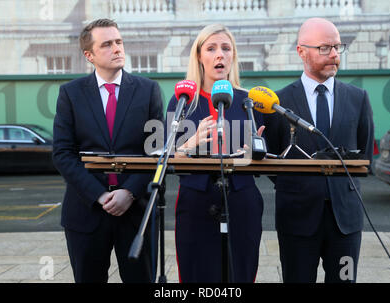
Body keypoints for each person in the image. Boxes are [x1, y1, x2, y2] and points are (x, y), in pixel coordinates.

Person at [52, 19, 164, 283]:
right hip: (86, 212)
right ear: (89, 55)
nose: (116, 49)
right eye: (107, 44)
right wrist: (100, 195)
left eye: (118, 42)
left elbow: (157, 151)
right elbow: (63, 153)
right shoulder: (70, 93)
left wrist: (130, 192)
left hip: (137, 214)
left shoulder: (148, 90)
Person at [264, 17, 374, 283]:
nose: (334, 54)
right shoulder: (278, 102)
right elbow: (273, 161)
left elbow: (365, 155)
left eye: (338, 46)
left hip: (345, 222)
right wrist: (300, 185)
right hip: (297, 219)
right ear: (301, 51)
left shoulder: (358, 99)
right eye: (324, 48)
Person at [165, 24, 265, 283]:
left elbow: (265, 159)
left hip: (242, 198)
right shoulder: (182, 101)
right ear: (199, 56)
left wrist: (254, 154)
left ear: (233, 56)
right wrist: (189, 144)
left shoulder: (248, 101)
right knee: (197, 273)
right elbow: (168, 157)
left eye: (225, 48)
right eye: (211, 48)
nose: (219, 54)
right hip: (195, 200)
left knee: (240, 272)